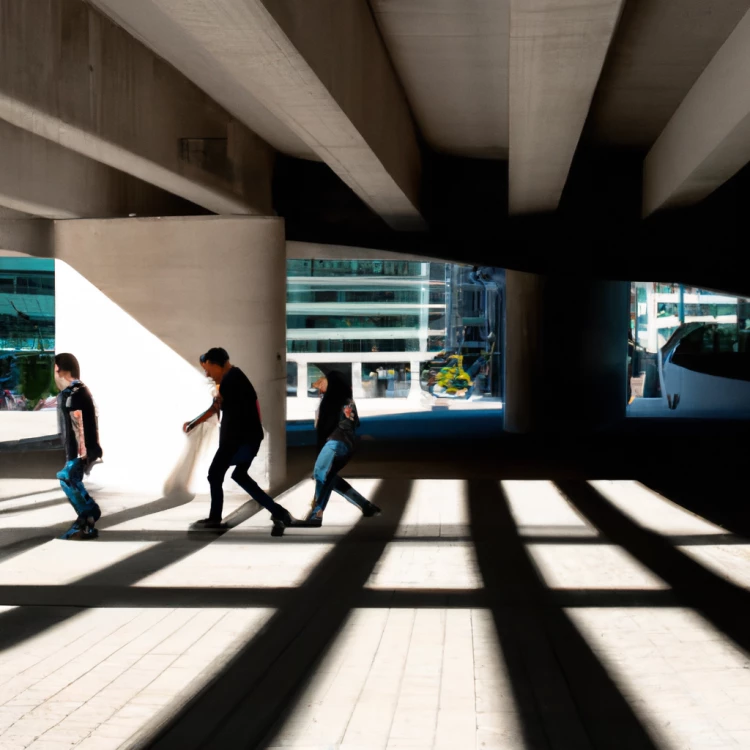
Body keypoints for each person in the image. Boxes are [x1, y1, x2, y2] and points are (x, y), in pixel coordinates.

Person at [183, 347, 293, 536]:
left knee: (214, 475)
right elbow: (218, 406)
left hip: (238, 441)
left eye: (209, 369)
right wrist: (194, 422)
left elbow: (222, 408)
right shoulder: (233, 377)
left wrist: (224, 443)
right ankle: (279, 512)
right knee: (239, 477)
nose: (207, 374)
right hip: (247, 439)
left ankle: (215, 518)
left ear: (218, 365)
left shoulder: (231, 380)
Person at [305, 370, 380, 526]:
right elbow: (353, 424)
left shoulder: (331, 401)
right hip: (347, 445)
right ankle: (366, 506)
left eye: (324, 383)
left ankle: (316, 514)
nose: (320, 386)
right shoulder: (347, 400)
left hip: (334, 442)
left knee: (320, 473)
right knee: (330, 477)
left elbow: (323, 429)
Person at [54, 353, 103, 540]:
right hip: (83, 450)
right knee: (73, 481)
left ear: (59, 369)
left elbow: (79, 425)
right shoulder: (79, 391)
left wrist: (79, 457)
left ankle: (89, 512)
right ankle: (86, 522)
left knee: (67, 478)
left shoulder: (72, 394)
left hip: (79, 451)